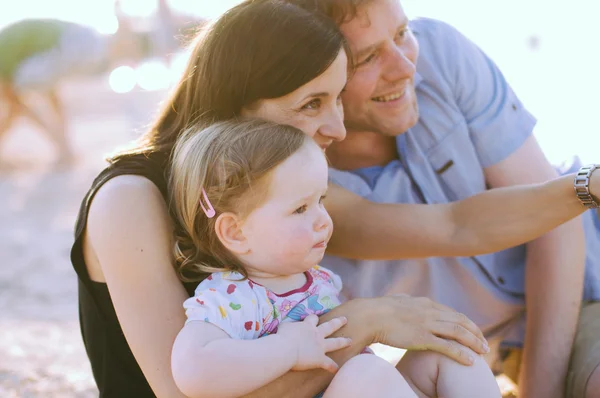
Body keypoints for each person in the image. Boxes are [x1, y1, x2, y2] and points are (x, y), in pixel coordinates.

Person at [70, 0, 600, 396]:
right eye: (312, 103)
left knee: (452, 358)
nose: (337, 127)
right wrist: (365, 320)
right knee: (369, 371)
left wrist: (586, 186)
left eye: (337, 96)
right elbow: (183, 391)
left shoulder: (282, 185)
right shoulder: (130, 201)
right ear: (237, 106)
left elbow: (455, 226)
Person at [279, 1, 600, 397]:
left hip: (576, 288)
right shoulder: (297, 179)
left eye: (401, 34)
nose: (406, 67)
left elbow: (559, 225)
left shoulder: (440, 52)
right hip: (455, 353)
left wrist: (541, 391)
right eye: (367, 58)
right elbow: (458, 226)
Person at [167, 118, 502, 398]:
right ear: (236, 233)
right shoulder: (232, 298)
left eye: (321, 200)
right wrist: (287, 349)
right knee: (366, 372)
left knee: (446, 353)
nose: (323, 220)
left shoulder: (319, 280)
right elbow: (192, 370)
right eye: (300, 208)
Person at [0, 18, 110, 166]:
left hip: (66, 46)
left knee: (27, 88)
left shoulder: (4, 63)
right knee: (49, 93)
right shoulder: (7, 48)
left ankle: (64, 150)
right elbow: (14, 108)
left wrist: (54, 139)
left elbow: (18, 107)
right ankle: (67, 149)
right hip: (80, 37)